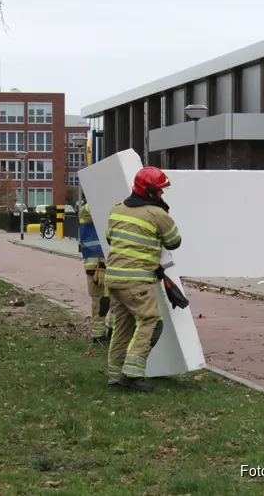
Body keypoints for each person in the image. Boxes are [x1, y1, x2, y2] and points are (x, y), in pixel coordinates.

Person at [104, 166, 181, 392]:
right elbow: (174, 241)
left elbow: (111, 238)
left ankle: (114, 376)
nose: (162, 195)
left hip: (114, 279)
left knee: (122, 327)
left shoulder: (117, 209)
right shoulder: (158, 215)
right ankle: (132, 374)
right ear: (149, 191)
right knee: (151, 322)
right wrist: (164, 214)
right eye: (160, 191)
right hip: (137, 282)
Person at [78, 195, 112, 344]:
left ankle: (113, 330)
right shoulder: (86, 210)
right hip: (95, 264)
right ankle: (98, 335)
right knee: (99, 300)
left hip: (109, 262)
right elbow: (97, 210)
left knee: (116, 299)